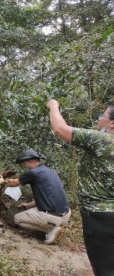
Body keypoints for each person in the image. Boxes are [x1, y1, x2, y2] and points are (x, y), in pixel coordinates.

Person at [47, 99, 114, 274]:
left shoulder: (104, 141)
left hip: (100, 217)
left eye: (102, 116)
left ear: (112, 124)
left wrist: (53, 106)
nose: (99, 119)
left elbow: (60, 129)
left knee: (105, 270)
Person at [0, 149, 71, 244]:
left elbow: (13, 183)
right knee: (43, 212)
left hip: (52, 217)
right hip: (66, 214)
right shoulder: (51, 171)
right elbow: (47, 197)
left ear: (30, 161)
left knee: (17, 219)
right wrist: (28, 205)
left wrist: (1, 181)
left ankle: (50, 231)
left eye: (24, 163)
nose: (24, 166)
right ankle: (53, 226)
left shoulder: (33, 172)